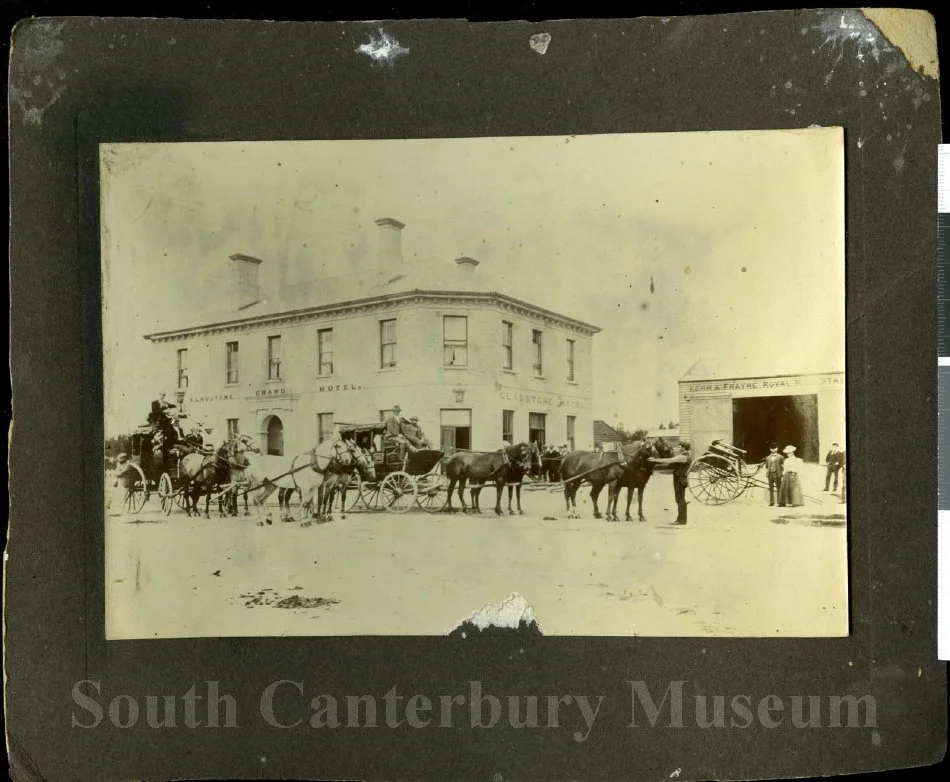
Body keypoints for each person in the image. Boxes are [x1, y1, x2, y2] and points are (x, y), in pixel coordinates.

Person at [648, 441, 693, 525]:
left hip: (679, 480)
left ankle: (681, 520)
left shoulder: (683, 457)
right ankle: (681, 519)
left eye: (680, 447)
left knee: (680, 500)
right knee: (680, 499)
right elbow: (671, 465)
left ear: (683, 448)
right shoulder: (687, 457)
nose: (679, 449)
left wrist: (655, 460)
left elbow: (669, 460)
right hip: (681, 479)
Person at [764, 443, 785, 507]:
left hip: (777, 474)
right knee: (771, 488)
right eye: (772, 449)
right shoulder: (767, 457)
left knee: (779, 488)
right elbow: (767, 466)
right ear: (770, 449)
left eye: (775, 448)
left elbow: (784, 466)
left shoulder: (781, 457)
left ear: (777, 448)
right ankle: (771, 501)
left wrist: (781, 472)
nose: (773, 450)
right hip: (770, 474)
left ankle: (780, 502)